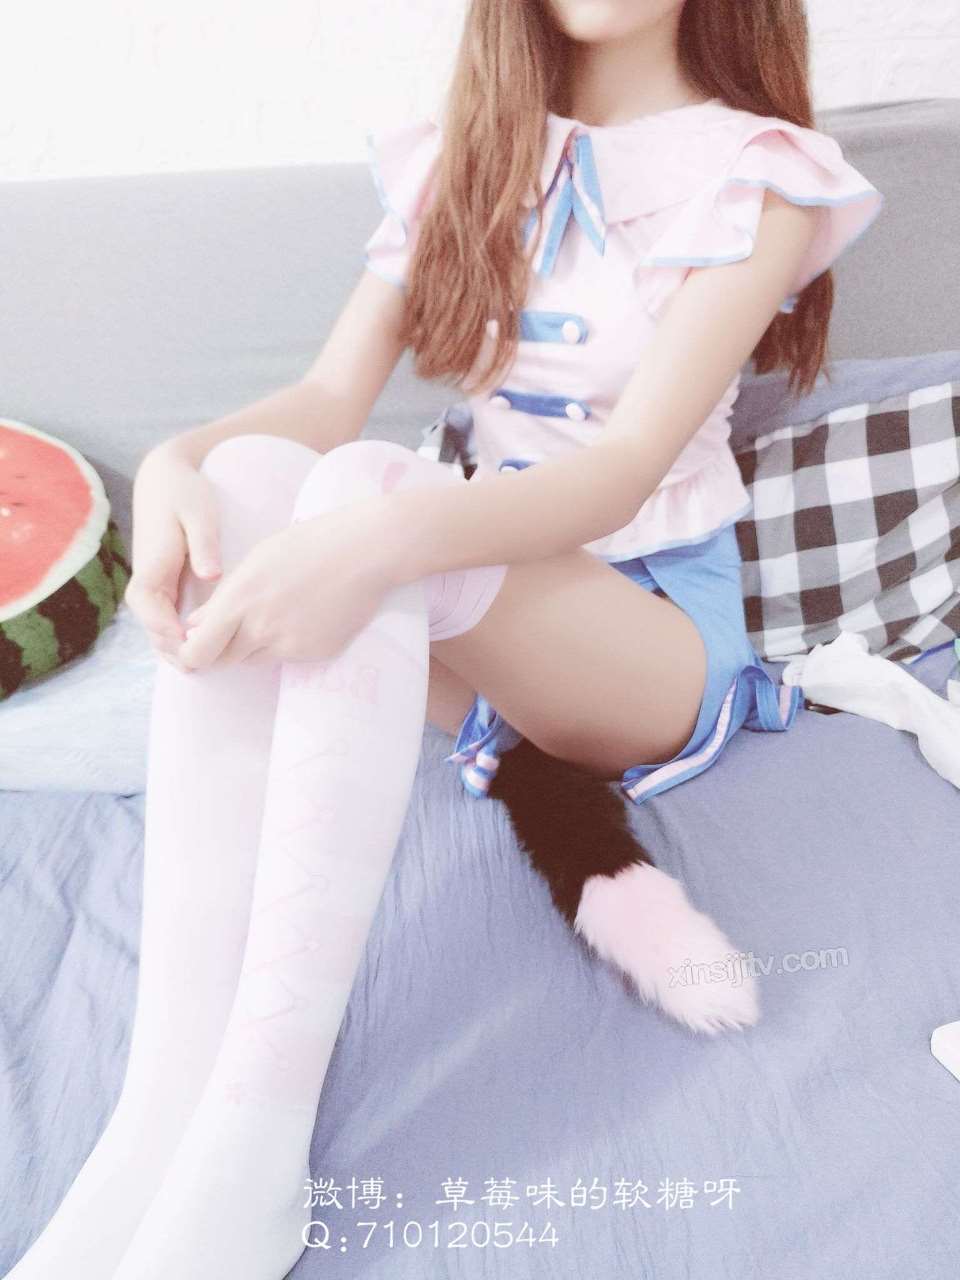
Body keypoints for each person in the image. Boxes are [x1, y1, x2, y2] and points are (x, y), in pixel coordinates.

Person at [7, 2, 883, 1279]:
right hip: (461, 605)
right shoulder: (464, 151)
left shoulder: (759, 173)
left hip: (641, 637)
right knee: (258, 476)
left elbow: (625, 471)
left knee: (366, 491)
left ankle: (257, 1139)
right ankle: (160, 1115)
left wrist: (383, 532)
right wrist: (182, 461)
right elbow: (326, 400)